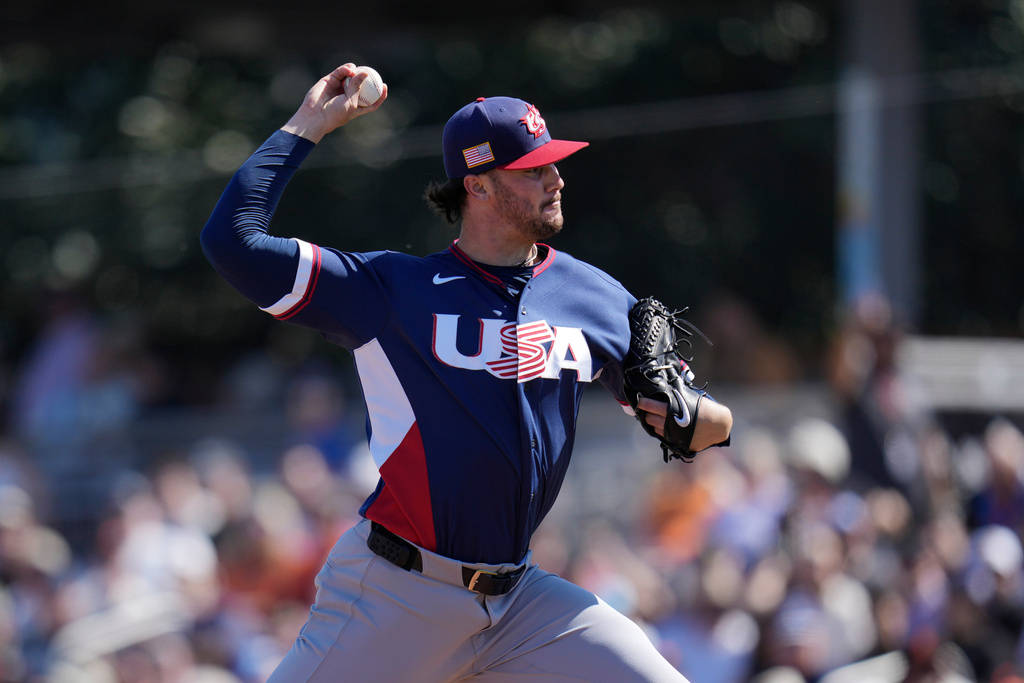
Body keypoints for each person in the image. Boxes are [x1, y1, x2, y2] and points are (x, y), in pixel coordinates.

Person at [201, 63, 733, 682]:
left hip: (520, 605)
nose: (556, 179)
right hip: (398, 594)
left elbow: (707, 425)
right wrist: (310, 124)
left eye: (553, 163)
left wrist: (694, 418)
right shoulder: (391, 291)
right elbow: (232, 241)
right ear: (478, 186)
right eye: (533, 169)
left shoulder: (593, 296)